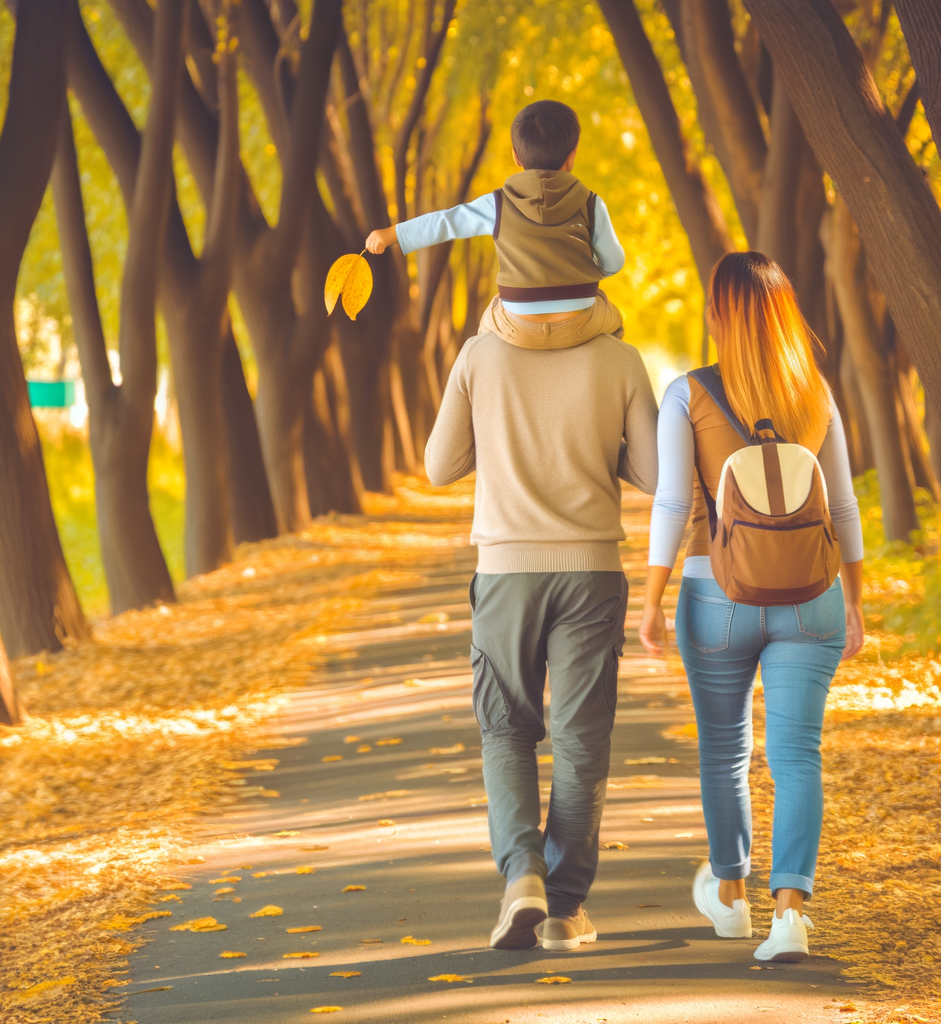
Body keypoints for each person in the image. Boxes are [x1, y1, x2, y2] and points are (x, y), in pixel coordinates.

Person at [421, 104, 659, 954]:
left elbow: (439, 467)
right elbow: (659, 479)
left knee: (506, 728)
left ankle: (519, 871)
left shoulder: (479, 357)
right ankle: (565, 908)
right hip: (593, 570)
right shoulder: (622, 359)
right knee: (581, 739)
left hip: (507, 573)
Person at [640, 251, 865, 962]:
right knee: (797, 753)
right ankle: (791, 914)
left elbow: (674, 503)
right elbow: (846, 505)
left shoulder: (688, 393)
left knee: (724, 751)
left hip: (716, 596)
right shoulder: (815, 394)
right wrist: (855, 601)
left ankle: (732, 898)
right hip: (813, 598)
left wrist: (650, 601)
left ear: (718, 314)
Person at [366, 99, 625, 343]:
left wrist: (393, 233)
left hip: (515, 320)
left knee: (485, 330)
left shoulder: (498, 203)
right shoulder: (591, 203)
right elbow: (614, 263)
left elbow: (446, 222)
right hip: (580, 314)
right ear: (572, 155)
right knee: (614, 321)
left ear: (516, 156)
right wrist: (591, 271)